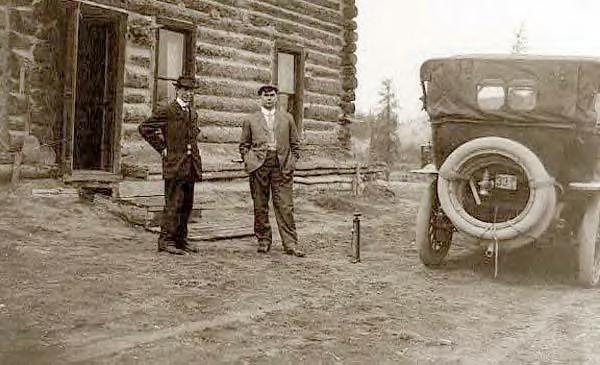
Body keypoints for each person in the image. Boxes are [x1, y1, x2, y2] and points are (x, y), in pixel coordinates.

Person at [138, 75, 202, 255]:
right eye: (185, 90)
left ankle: (181, 240)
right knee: (173, 203)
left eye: (191, 91)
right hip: (175, 165)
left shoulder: (192, 113)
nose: (188, 94)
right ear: (178, 90)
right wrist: (162, 148)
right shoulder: (168, 110)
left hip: (190, 165)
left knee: (186, 205)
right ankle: (165, 241)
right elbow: (145, 128)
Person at [239, 85, 305, 257]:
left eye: (272, 95)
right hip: (259, 166)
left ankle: (290, 243)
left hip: (281, 166)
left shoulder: (287, 118)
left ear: (277, 97)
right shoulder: (251, 120)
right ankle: (264, 241)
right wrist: (249, 161)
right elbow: (244, 146)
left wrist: (290, 165)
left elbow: (296, 146)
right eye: (265, 95)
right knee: (260, 205)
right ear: (260, 98)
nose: (269, 98)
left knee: (285, 205)